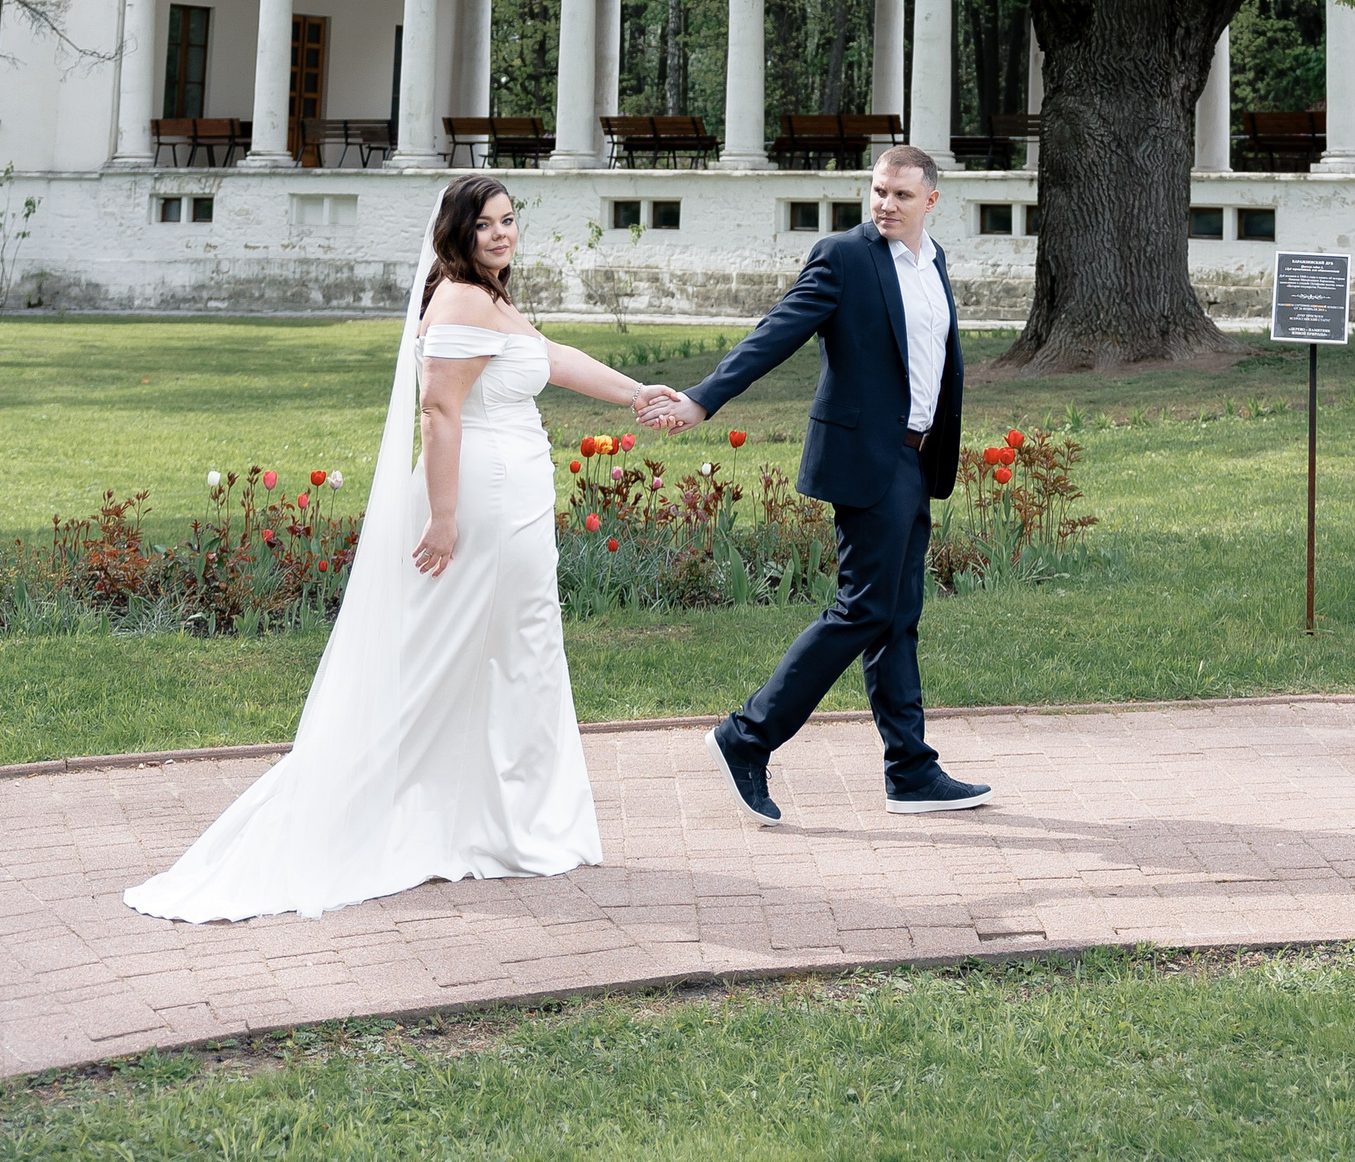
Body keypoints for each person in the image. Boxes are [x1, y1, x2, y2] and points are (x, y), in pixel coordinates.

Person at [125, 174, 679, 922]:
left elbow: (549, 356)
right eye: (485, 225)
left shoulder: (489, 297)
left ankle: (500, 819)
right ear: (457, 232)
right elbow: (440, 411)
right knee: (455, 654)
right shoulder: (460, 300)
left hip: (514, 497)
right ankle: (400, 817)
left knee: (516, 650)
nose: (502, 234)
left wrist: (636, 392)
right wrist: (443, 517)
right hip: (481, 498)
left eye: (509, 220)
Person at [644, 143, 990, 824]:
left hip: (917, 459)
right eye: (879, 191)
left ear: (931, 201)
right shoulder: (844, 257)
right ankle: (746, 736)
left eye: (901, 195)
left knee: (897, 616)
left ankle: (911, 772)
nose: (885, 204)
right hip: (867, 458)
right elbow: (777, 332)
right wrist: (703, 399)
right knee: (863, 609)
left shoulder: (934, 261)